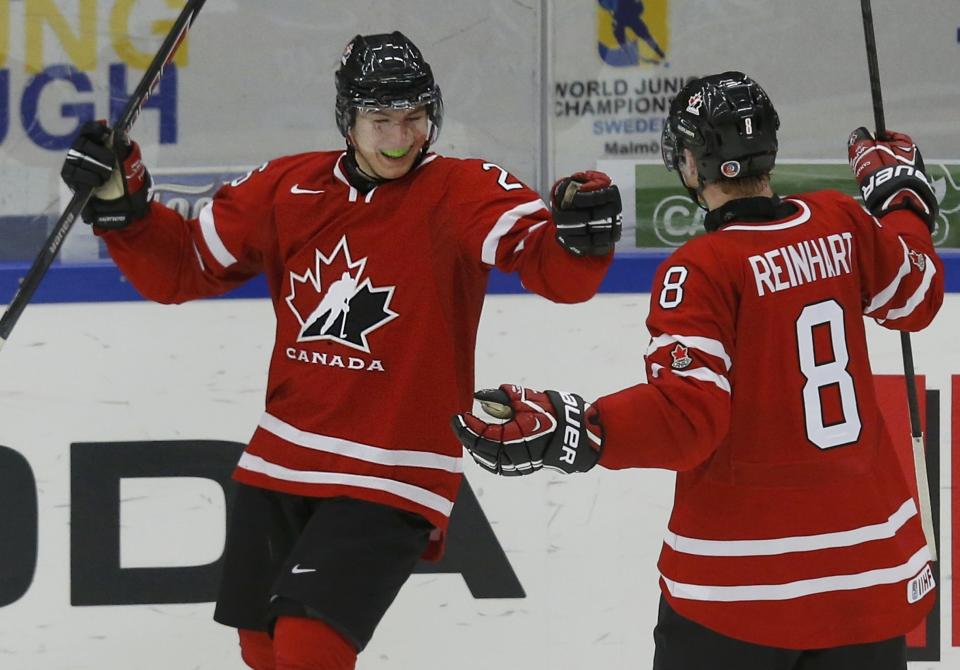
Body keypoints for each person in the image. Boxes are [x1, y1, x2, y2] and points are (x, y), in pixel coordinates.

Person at [59, 32, 622, 670]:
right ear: (347, 120)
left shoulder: (462, 189)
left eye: (413, 118)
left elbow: (554, 271)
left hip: (393, 467)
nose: (400, 137)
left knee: (309, 643)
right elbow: (181, 268)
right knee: (263, 646)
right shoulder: (287, 187)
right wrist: (124, 206)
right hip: (282, 456)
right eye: (381, 120)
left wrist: (583, 239)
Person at [452, 71, 943, 670]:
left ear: (690, 163)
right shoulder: (841, 221)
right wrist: (900, 196)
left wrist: (571, 426)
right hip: (869, 577)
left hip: (741, 585)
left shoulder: (701, 268)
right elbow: (917, 296)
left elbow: (689, 420)